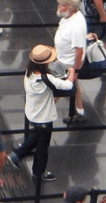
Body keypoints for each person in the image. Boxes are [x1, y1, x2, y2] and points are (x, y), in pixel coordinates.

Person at [8, 45, 72, 182]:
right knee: (42, 146)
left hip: (32, 112)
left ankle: (18, 156)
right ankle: (36, 171)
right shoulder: (47, 78)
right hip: (44, 116)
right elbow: (68, 86)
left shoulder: (28, 72)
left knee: (37, 137)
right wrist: (72, 73)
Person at [53, 0, 88, 123]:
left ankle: (44, 113)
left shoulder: (76, 26)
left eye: (63, 5)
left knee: (58, 88)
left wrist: (74, 69)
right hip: (63, 59)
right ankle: (80, 111)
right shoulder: (68, 17)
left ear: (71, 8)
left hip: (68, 63)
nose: (59, 7)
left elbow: (79, 50)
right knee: (74, 84)